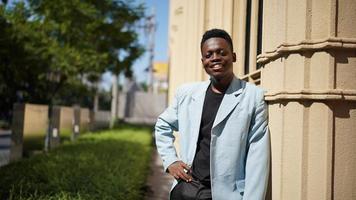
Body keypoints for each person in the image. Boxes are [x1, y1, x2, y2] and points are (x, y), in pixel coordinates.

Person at [155, 28, 270, 200]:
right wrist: (170, 160)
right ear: (203, 61)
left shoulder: (253, 97)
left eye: (221, 52)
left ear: (234, 57)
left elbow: (258, 158)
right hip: (187, 188)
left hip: (224, 194)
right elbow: (162, 125)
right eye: (208, 55)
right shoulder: (187, 94)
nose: (215, 58)